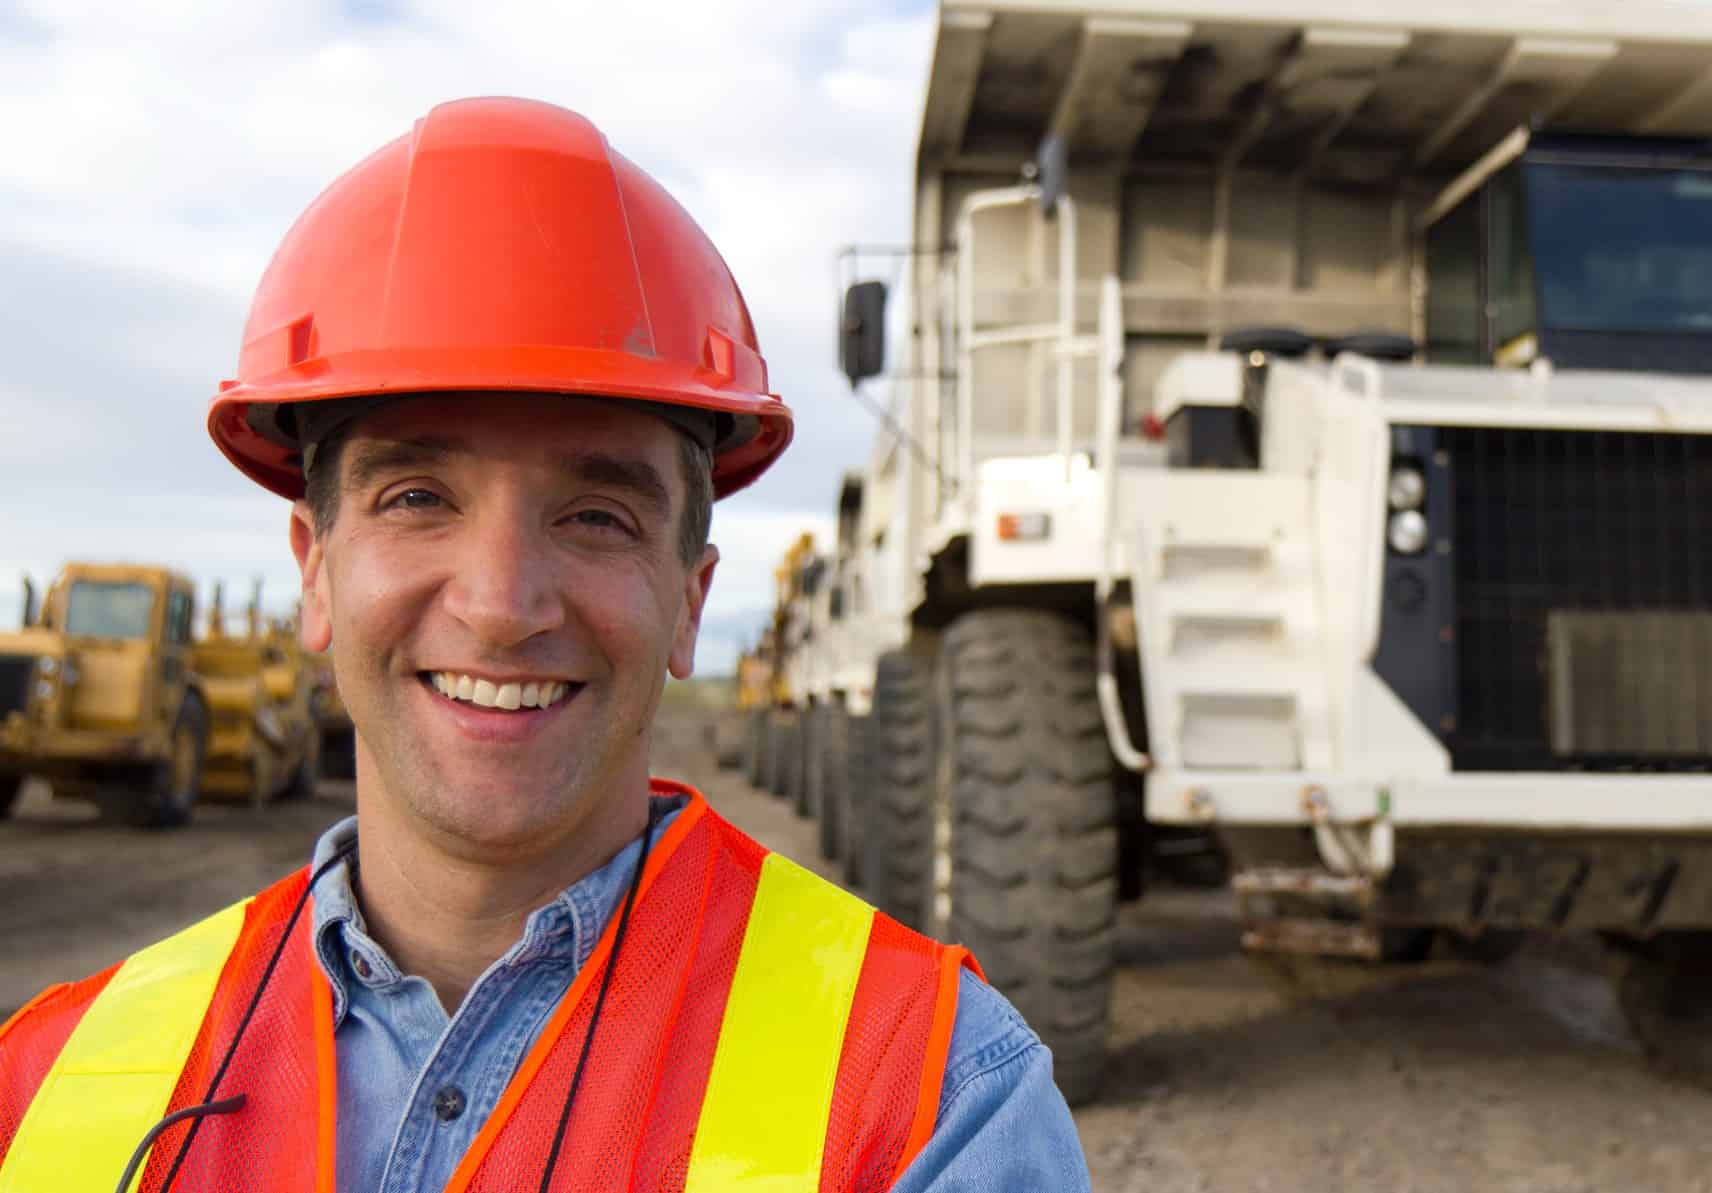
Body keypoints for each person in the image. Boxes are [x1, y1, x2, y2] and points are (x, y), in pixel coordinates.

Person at [0, 97, 1092, 1193]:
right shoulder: (42, 1093)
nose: (501, 602)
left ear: (689, 600)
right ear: (314, 568)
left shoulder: (929, 1097)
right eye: (418, 496)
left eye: (596, 516)